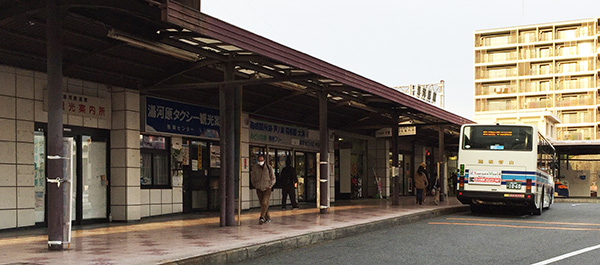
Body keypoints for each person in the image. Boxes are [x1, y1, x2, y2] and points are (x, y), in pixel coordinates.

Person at [251, 155, 276, 224]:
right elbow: (252, 178)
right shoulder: (255, 168)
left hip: (267, 188)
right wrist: (255, 185)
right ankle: (268, 217)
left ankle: (262, 217)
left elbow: (273, 178)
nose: (260, 162)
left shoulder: (268, 167)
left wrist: (270, 185)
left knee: (264, 202)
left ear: (264, 160)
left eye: (261, 160)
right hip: (259, 188)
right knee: (263, 204)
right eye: (259, 160)